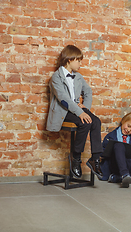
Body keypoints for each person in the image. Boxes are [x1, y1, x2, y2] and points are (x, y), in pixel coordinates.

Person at [46, 45, 103, 179]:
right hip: (63, 112)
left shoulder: (78, 77)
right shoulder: (56, 77)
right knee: (85, 123)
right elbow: (64, 99)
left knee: (96, 122)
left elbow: (88, 91)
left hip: (76, 109)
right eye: (78, 60)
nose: (80, 64)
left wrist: (85, 109)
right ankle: (76, 158)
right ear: (69, 60)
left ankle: (95, 159)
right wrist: (80, 113)